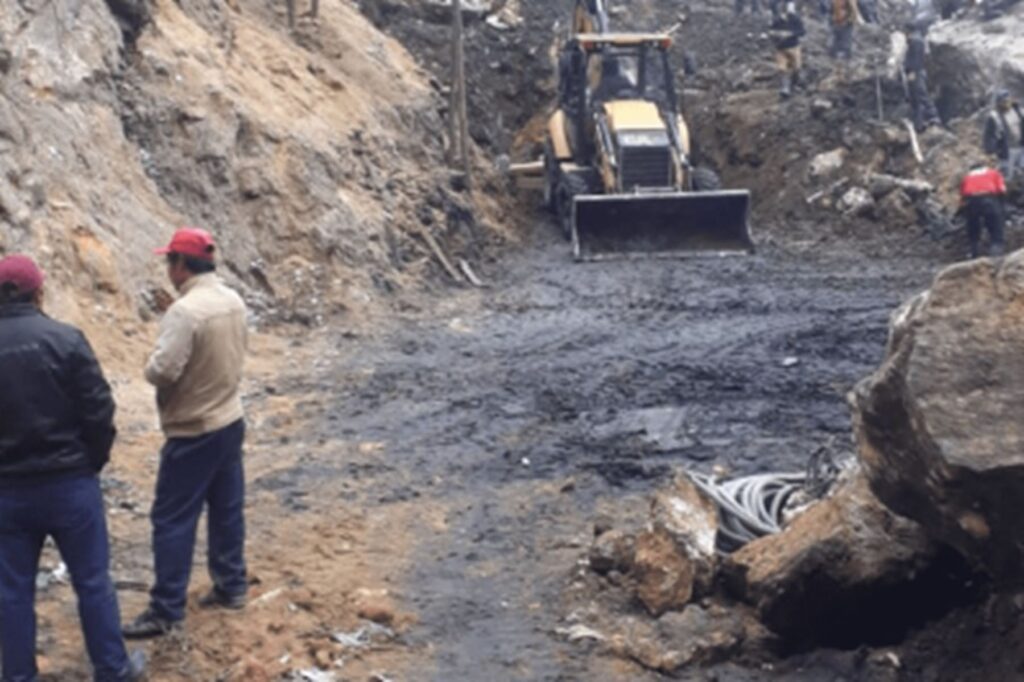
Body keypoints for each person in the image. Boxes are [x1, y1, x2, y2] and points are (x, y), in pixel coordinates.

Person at [0, 255, 145, 681]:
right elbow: (99, 410)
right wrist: (90, 462)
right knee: (93, 582)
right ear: (39, 293)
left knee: (12, 592)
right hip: (69, 484)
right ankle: (112, 669)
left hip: (7, 492)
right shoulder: (66, 339)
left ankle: (17, 675)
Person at [123, 228, 249, 639]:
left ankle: (166, 610)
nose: (167, 270)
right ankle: (231, 586)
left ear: (180, 264)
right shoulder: (232, 300)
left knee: (172, 520)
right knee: (226, 509)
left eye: (169, 261)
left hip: (193, 428)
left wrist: (149, 357)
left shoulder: (185, 312)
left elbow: (162, 370)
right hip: (230, 419)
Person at [959, 162, 1007, 258]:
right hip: (989, 198)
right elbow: (1002, 190)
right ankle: (996, 248)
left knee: (973, 226)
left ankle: (974, 250)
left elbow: (963, 197)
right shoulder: (993, 173)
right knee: (995, 223)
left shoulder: (967, 177)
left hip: (971, 200)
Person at [904, 23, 941, 132]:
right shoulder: (918, 40)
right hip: (918, 72)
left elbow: (915, 59)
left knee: (921, 95)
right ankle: (920, 123)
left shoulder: (915, 41)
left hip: (916, 72)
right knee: (917, 97)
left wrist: (912, 71)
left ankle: (933, 117)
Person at [983, 90, 1024, 182]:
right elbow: (989, 135)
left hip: (1021, 147)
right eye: (1003, 102)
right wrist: (990, 151)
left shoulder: (1019, 111)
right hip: (1006, 150)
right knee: (1007, 177)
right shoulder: (994, 116)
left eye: (1007, 100)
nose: (1006, 103)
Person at [771, 2, 806, 99]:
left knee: (797, 68)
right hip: (781, 48)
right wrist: (777, 34)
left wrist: (790, 34)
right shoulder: (777, 20)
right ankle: (785, 88)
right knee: (782, 69)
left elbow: (802, 32)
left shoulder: (796, 19)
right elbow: (771, 31)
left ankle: (795, 84)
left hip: (794, 47)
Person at [829, 0, 861, 66]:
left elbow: (853, 9)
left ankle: (840, 57)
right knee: (842, 40)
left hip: (841, 21)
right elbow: (853, 6)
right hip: (841, 20)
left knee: (842, 39)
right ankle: (841, 57)